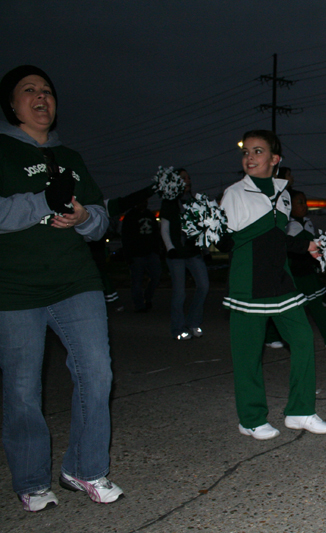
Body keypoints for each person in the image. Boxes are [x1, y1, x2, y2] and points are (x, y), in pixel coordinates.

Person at [0, 65, 124, 512]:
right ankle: (32, 480)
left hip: (76, 280)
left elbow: (99, 220)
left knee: (96, 373)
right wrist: (42, 204)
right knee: (21, 389)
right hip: (13, 289)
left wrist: (83, 218)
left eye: (48, 91)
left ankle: (85, 468)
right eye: (29, 91)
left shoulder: (71, 157)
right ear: (12, 104)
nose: (41, 97)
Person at [219, 129, 326, 439]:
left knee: (303, 340)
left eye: (257, 151)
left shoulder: (282, 195)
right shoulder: (234, 194)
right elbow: (225, 240)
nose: (249, 157)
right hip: (248, 286)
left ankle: (300, 411)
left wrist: (305, 246)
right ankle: (251, 418)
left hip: (282, 283)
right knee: (248, 357)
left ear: (274, 159)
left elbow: (277, 238)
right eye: (246, 152)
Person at [285, 189, 326, 349]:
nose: (304, 206)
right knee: (288, 309)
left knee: (315, 305)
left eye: (305, 202)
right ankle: (272, 336)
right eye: (299, 202)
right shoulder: (288, 226)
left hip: (306, 271)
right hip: (293, 274)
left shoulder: (308, 222)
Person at [160, 168, 209, 340]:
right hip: (176, 254)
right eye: (183, 178)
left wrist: (206, 249)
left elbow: (201, 227)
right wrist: (170, 248)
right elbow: (164, 228)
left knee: (204, 286)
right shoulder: (169, 202)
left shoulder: (194, 201)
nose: (187, 180)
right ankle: (178, 328)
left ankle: (194, 323)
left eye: (188, 177)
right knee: (180, 292)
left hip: (193, 251)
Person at [121, 199, 162, 311]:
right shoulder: (130, 216)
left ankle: (147, 297)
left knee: (156, 276)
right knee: (137, 281)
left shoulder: (149, 215)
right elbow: (125, 237)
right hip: (136, 254)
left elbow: (156, 233)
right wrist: (128, 255)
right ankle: (139, 305)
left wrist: (158, 249)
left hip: (151, 252)